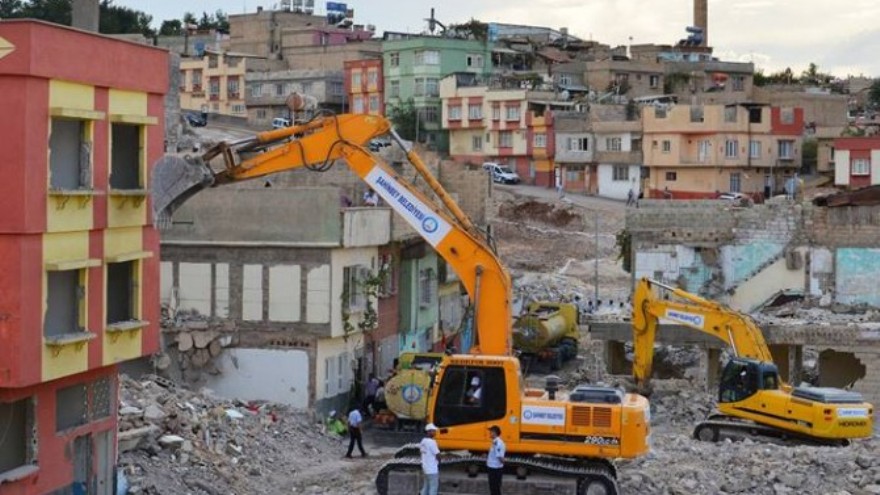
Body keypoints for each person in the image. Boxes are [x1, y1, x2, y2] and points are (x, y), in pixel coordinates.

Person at [419, 423, 441, 495]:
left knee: (426, 486)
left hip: (425, 468)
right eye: (433, 431)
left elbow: (422, 453)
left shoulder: (423, 441)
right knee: (433, 488)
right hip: (432, 469)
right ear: (428, 432)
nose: (435, 432)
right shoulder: (432, 442)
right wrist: (439, 461)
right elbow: (437, 454)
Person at [486, 425, 506, 495]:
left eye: (491, 432)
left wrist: (503, 464)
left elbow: (500, 457)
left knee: (495, 488)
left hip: (495, 469)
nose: (490, 433)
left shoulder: (498, 443)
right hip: (493, 468)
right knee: (494, 488)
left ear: (494, 433)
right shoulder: (495, 442)